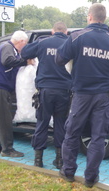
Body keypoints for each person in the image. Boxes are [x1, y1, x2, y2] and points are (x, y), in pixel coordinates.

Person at [55, 3, 109, 188]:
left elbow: (59, 60)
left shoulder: (77, 37)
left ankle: (68, 172)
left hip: (81, 94)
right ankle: (91, 178)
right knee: (98, 137)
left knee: (72, 133)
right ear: (103, 18)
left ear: (90, 17)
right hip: (103, 97)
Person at [21, 22, 72, 169]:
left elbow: (24, 53)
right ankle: (60, 160)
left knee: (42, 123)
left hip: (45, 90)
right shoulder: (70, 44)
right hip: (64, 91)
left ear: (52, 31)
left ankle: (38, 160)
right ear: (66, 32)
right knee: (60, 124)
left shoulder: (43, 42)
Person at [0, 30, 33, 157]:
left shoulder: (11, 49)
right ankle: (7, 150)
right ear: (21, 41)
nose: (25, 46)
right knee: (5, 120)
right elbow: (7, 61)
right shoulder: (8, 47)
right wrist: (25, 62)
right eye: (25, 43)